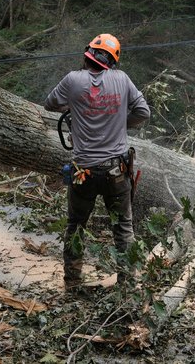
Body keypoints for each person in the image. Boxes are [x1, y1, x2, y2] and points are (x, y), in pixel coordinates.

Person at [44, 33, 150, 291]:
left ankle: (72, 283)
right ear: (112, 62)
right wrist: (119, 124)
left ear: (87, 54)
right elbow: (143, 112)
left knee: (76, 225)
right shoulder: (122, 79)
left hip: (85, 173)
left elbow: (50, 104)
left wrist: (78, 108)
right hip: (116, 170)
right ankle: (127, 286)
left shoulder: (72, 80)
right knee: (123, 227)